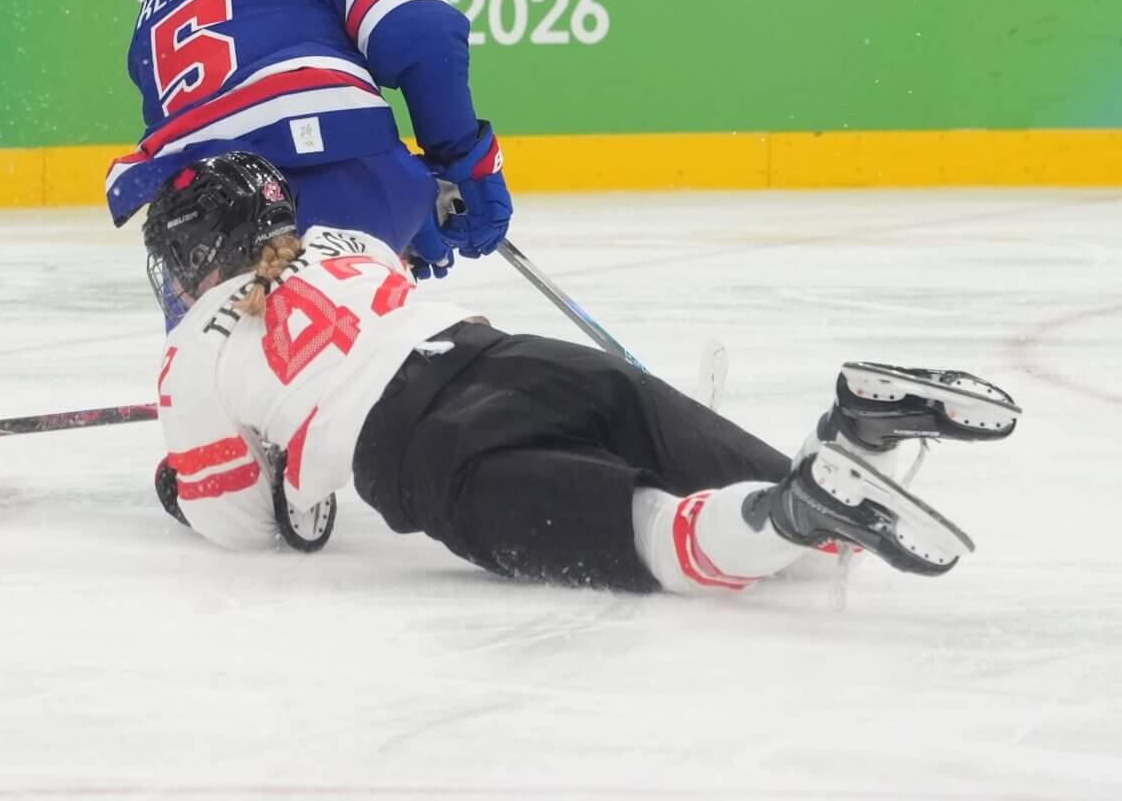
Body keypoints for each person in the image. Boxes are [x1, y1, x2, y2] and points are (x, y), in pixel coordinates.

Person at [144, 151, 1020, 592]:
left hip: (432, 449)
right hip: (523, 358)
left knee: (662, 542)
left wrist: (192, 485)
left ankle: (793, 507)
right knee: (828, 556)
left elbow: (247, 526)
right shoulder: (351, 241)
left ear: (194, 252)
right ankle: (854, 428)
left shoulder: (192, 354)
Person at [110, 0, 507, 320]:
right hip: (354, 183)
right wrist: (457, 167)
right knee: (361, 347)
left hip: (209, 226)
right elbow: (427, 35)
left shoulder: (147, 30)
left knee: (239, 360)